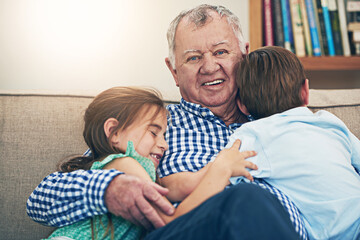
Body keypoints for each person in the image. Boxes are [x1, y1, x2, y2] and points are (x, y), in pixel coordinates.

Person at [27, 4, 305, 239]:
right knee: (248, 198)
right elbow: (40, 199)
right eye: (193, 58)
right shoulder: (154, 125)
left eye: (221, 52)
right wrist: (109, 188)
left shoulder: (281, 119)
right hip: (184, 230)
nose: (209, 67)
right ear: (173, 71)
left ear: (244, 55)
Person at [45, 86, 258, 239]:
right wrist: (220, 170)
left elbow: (177, 185)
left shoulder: (139, 170)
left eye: (164, 134)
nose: (164, 144)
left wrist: (220, 163)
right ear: (114, 132)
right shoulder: (123, 164)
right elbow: (169, 221)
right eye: (154, 132)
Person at [226, 46, 360, 239]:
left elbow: (227, 179)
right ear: (306, 91)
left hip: (331, 233)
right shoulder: (328, 121)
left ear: (242, 106)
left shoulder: (252, 135)